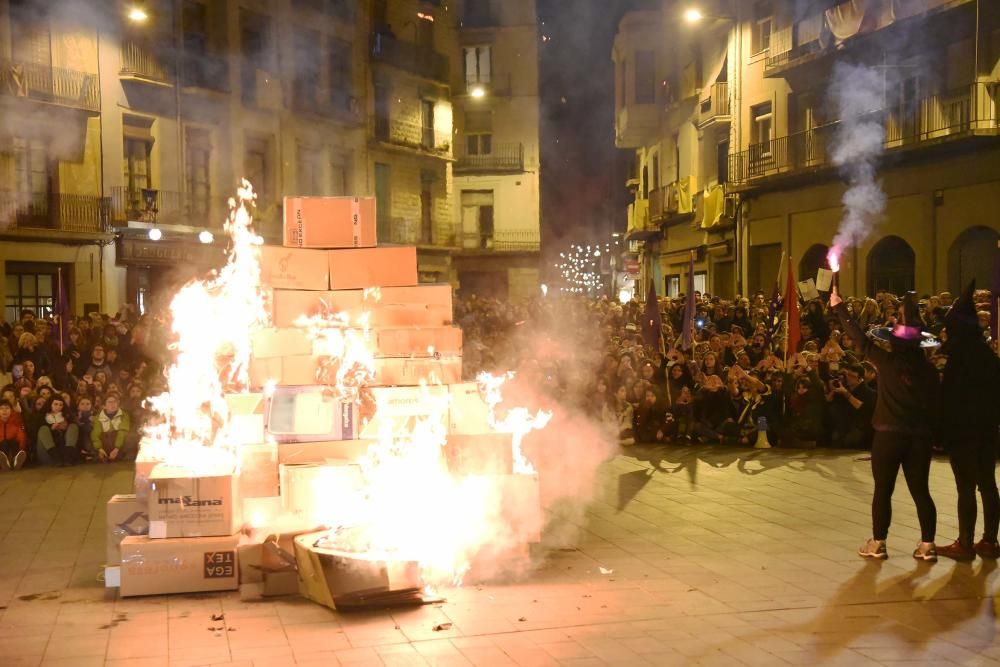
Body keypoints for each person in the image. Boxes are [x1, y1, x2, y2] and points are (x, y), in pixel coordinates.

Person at [832, 287, 940, 561]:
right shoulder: (929, 370)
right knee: (921, 491)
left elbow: (860, 340)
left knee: (883, 490)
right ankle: (928, 545)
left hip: (888, 435)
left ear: (895, 341)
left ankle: (878, 543)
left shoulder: (886, 361)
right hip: (919, 437)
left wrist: (839, 307)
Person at [936, 282, 1000, 560]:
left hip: (964, 433)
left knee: (966, 486)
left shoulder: (958, 359)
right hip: (988, 431)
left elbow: (949, 400)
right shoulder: (988, 357)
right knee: (987, 483)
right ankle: (989, 541)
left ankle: (965, 543)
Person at [37, 397, 80, 466]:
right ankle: (56, 457)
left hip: (64, 451)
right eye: (55, 404)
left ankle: (68, 457)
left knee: (73, 426)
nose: (58, 407)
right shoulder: (42, 417)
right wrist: (51, 429)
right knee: (43, 429)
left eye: (60, 405)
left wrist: (65, 427)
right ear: (50, 404)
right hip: (48, 454)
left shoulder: (67, 417)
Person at [91, 394, 133, 462]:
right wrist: (99, 448)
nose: (112, 404)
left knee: (129, 436)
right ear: (104, 406)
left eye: (115, 402)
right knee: (101, 436)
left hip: (119, 443)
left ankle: (119, 455)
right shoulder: (98, 417)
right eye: (109, 402)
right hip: (105, 442)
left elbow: (123, 431)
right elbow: (96, 434)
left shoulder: (124, 415)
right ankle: (102, 454)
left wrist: (116, 449)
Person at [0, 399, 27, 470]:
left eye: (7, 408)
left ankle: (15, 460)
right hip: (1, 448)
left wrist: (21, 447)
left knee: (14, 443)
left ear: (11, 410)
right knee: (3, 444)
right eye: (1, 409)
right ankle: (4, 462)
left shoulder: (15, 422)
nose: (4, 411)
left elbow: (21, 436)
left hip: (12, 449)